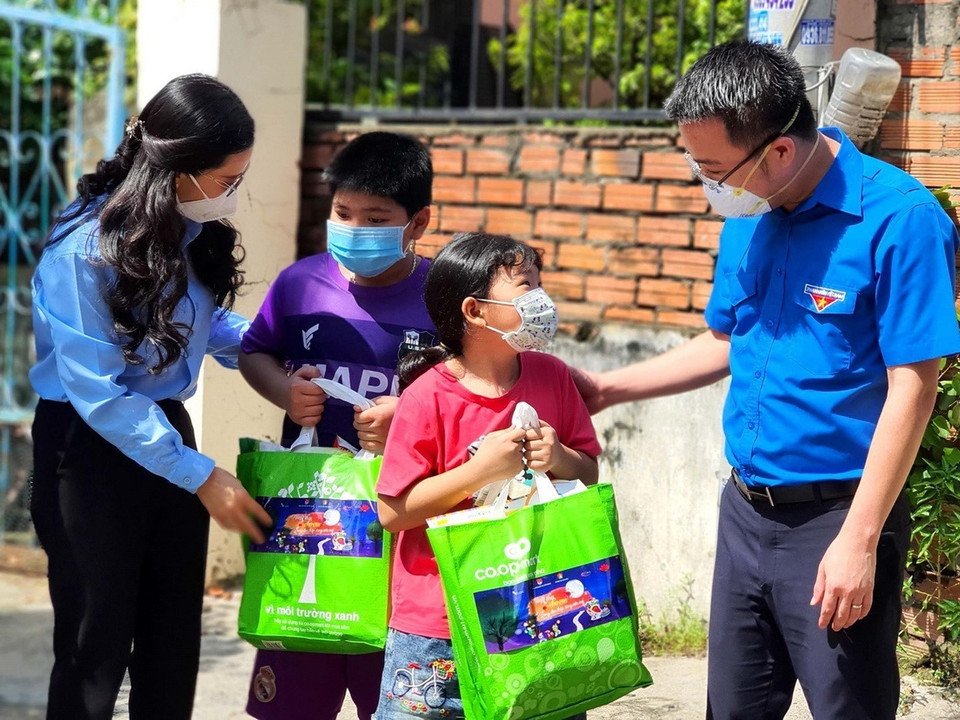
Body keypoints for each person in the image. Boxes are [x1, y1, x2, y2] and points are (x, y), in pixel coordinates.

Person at [574, 41, 960, 720]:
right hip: (746, 514)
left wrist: (859, 540)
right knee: (732, 707)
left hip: (839, 518)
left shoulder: (899, 221)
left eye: (716, 168)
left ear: (778, 151)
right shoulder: (748, 220)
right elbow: (727, 340)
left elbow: (914, 386)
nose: (709, 183)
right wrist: (609, 390)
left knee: (848, 708)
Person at [29, 74, 271, 720]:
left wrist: (274, 346)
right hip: (88, 451)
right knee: (94, 651)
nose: (233, 196)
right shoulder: (84, 250)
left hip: (164, 438)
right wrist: (201, 477)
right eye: (227, 181)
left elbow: (197, 323)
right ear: (177, 171)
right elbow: (99, 394)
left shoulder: (183, 230)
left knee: (171, 649)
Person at [238, 131, 436, 720]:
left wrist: (409, 416)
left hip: (403, 533)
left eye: (376, 218)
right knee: (296, 694)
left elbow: (469, 386)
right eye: (343, 214)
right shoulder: (299, 283)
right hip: (309, 529)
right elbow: (255, 352)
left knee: (394, 694)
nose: (354, 228)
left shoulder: (446, 297)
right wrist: (284, 390)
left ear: (418, 222)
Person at [374, 232, 601, 720]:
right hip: (437, 626)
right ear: (474, 311)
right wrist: (477, 472)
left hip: (537, 607)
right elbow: (393, 513)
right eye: (525, 286)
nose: (542, 300)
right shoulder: (426, 397)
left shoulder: (554, 377)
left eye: (541, 285)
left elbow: (588, 470)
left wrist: (558, 455)